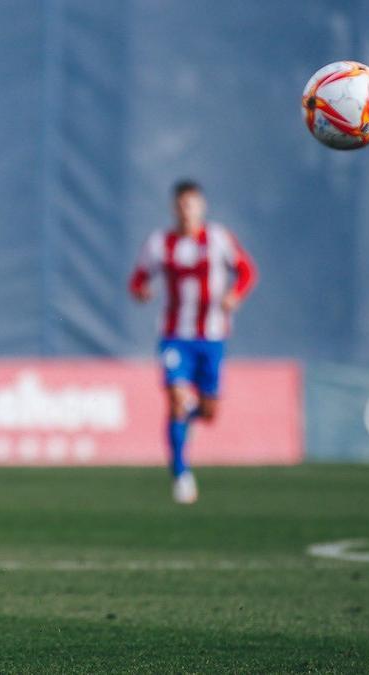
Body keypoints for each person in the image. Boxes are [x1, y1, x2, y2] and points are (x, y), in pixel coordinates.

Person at [128, 180, 257, 504]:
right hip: (175, 336)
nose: (187, 211)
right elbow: (138, 279)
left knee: (210, 412)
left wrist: (235, 295)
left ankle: (191, 417)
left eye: (193, 204)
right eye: (182, 205)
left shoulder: (218, 238)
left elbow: (246, 271)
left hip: (212, 337)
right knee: (175, 399)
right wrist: (142, 292)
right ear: (175, 208)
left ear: (202, 207)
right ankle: (181, 474)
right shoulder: (160, 243)